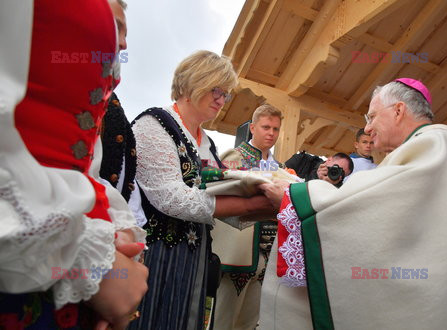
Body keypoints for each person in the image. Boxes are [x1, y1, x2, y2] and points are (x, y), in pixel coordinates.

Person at [258, 78, 447, 329]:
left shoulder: (434, 145)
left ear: (398, 111)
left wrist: (294, 196)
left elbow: (365, 212)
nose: (368, 128)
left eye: (372, 116)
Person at [0, 1, 148, 329]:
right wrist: (94, 263)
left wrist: (112, 229)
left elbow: (82, 167)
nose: (122, 43)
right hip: (21, 261)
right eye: (118, 27)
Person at [128, 50, 274, 330]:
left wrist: (262, 198)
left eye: (226, 93)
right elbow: (172, 198)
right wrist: (249, 206)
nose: (222, 100)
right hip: (157, 255)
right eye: (216, 90)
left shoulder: (206, 142)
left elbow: (217, 197)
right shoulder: (154, 124)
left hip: (194, 257)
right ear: (192, 83)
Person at [212, 104, 282, 330]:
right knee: (224, 319)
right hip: (238, 251)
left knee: (250, 322)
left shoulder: (280, 167)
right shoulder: (234, 156)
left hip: (267, 252)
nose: (271, 133)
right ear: (252, 127)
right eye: (266, 127)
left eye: (276, 129)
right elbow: (217, 194)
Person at [100, 0, 147, 228]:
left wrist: (131, 227)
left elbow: (127, 179)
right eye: (116, 27)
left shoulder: (111, 100)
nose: (124, 44)